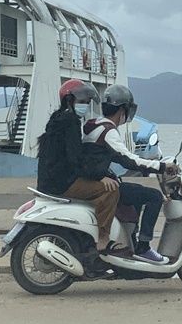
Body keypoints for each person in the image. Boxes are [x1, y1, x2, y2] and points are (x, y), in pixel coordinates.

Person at [81, 84, 180, 264]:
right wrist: (162, 166)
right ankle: (144, 247)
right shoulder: (108, 131)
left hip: (93, 180)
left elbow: (106, 157)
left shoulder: (95, 125)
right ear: (122, 110)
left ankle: (131, 241)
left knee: (136, 193)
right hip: (100, 183)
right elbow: (129, 160)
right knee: (154, 196)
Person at [37, 79, 125, 256]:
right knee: (111, 190)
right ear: (70, 100)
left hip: (50, 180)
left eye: (87, 102)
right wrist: (99, 176)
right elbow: (75, 158)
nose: (85, 105)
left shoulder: (57, 118)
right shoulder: (70, 122)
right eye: (82, 101)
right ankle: (103, 238)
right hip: (62, 183)